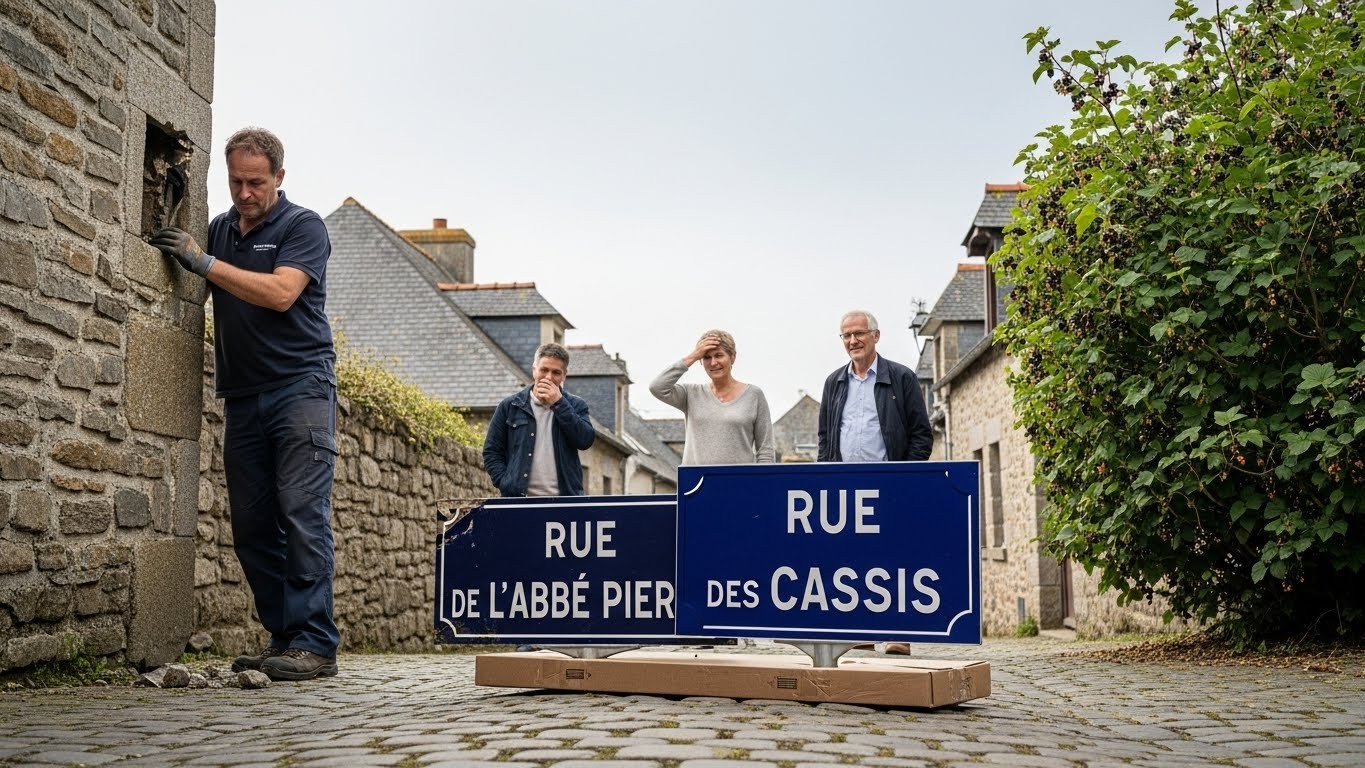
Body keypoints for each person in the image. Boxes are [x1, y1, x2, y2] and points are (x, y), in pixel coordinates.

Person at [149, 127, 341, 682]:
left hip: (302, 389)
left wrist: (203, 263)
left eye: (256, 182)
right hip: (242, 396)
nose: (245, 192)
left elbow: (282, 293)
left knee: (302, 517)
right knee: (253, 526)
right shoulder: (220, 231)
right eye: (236, 181)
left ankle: (316, 643)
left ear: (279, 177)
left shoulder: (303, 227)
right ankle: (286, 636)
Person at [816, 309, 932, 656]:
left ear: (875, 336)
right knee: (854, 563)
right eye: (846, 336)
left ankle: (899, 633)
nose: (853, 341)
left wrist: (904, 479)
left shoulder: (902, 378)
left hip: (890, 488)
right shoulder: (833, 382)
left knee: (897, 561)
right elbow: (825, 439)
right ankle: (862, 633)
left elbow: (921, 435)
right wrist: (827, 483)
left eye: (859, 334)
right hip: (846, 491)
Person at [483, 343, 596, 497]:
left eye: (556, 372)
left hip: (565, 501)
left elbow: (585, 440)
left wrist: (559, 403)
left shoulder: (576, 405)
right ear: (534, 370)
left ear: (564, 375)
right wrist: (505, 482)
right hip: (519, 501)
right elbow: (492, 451)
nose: (548, 377)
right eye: (544, 370)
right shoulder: (510, 406)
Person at [650, 330, 775, 465]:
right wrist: (693, 356)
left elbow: (765, 450)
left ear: (732, 357)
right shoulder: (691, 394)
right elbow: (657, 387)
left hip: (739, 481)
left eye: (719, 355)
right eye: (707, 357)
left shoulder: (754, 395)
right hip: (697, 482)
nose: (713, 363)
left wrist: (762, 482)